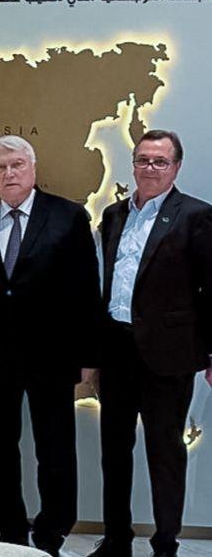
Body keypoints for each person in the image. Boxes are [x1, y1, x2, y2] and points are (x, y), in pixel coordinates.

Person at [0, 135, 101, 557]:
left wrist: (88, 355)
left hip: (52, 356)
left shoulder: (68, 216)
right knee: (0, 449)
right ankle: (11, 531)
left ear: (33, 168)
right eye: (1, 167)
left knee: (55, 449)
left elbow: (86, 290)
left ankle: (52, 531)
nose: (9, 173)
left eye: (17, 164)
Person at [88, 130, 212, 557]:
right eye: (143, 160)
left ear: (176, 167)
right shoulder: (113, 214)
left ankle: (165, 544)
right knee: (114, 452)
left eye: (160, 161)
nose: (150, 168)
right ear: (134, 164)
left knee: (166, 453)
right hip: (116, 351)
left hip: (168, 355)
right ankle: (116, 540)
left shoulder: (196, 216)